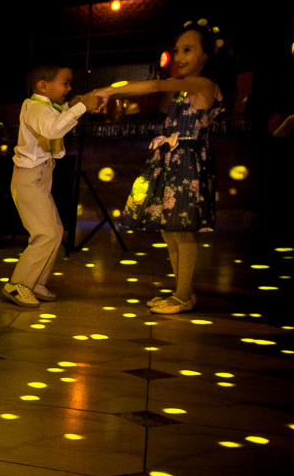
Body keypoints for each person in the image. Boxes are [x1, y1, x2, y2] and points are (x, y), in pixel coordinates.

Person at [95, 25, 226, 314]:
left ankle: (182, 295)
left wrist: (108, 90)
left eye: (188, 50)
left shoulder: (202, 84)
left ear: (206, 54)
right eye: (177, 50)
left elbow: (155, 86)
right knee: (170, 229)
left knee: (183, 230)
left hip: (189, 162)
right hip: (172, 160)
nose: (179, 56)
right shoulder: (186, 87)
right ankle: (182, 292)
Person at [1, 63, 99, 308]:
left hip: (39, 177)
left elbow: (54, 119)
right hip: (29, 179)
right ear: (43, 85)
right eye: (65, 82)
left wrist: (70, 106)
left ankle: (35, 282)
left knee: (54, 231)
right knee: (45, 233)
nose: (69, 87)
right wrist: (80, 107)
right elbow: (53, 128)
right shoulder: (33, 106)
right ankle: (18, 284)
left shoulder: (45, 107)